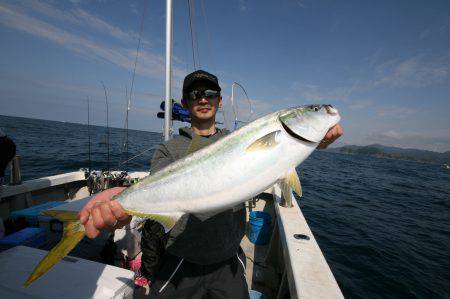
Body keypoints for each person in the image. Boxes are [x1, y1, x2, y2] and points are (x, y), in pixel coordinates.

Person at [79, 70, 343, 298]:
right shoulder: (168, 149)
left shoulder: (238, 138)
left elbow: (272, 161)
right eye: (194, 94)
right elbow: (157, 194)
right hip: (179, 261)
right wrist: (125, 205)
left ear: (218, 100)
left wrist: (315, 139)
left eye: (210, 93)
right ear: (185, 102)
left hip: (227, 261)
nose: (203, 98)